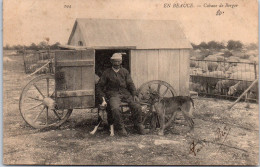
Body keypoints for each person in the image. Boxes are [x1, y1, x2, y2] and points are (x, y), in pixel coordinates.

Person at [96, 53, 149, 136]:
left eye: (118, 61)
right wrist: (102, 96)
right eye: (115, 61)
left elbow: (130, 83)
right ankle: (120, 128)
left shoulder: (125, 71)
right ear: (111, 61)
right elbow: (99, 86)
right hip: (113, 94)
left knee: (137, 106)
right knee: (115, 108)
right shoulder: (107, 72)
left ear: (121, 62)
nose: (117, 63)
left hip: (125, 93)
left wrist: (134, 94)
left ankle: (138, 126)